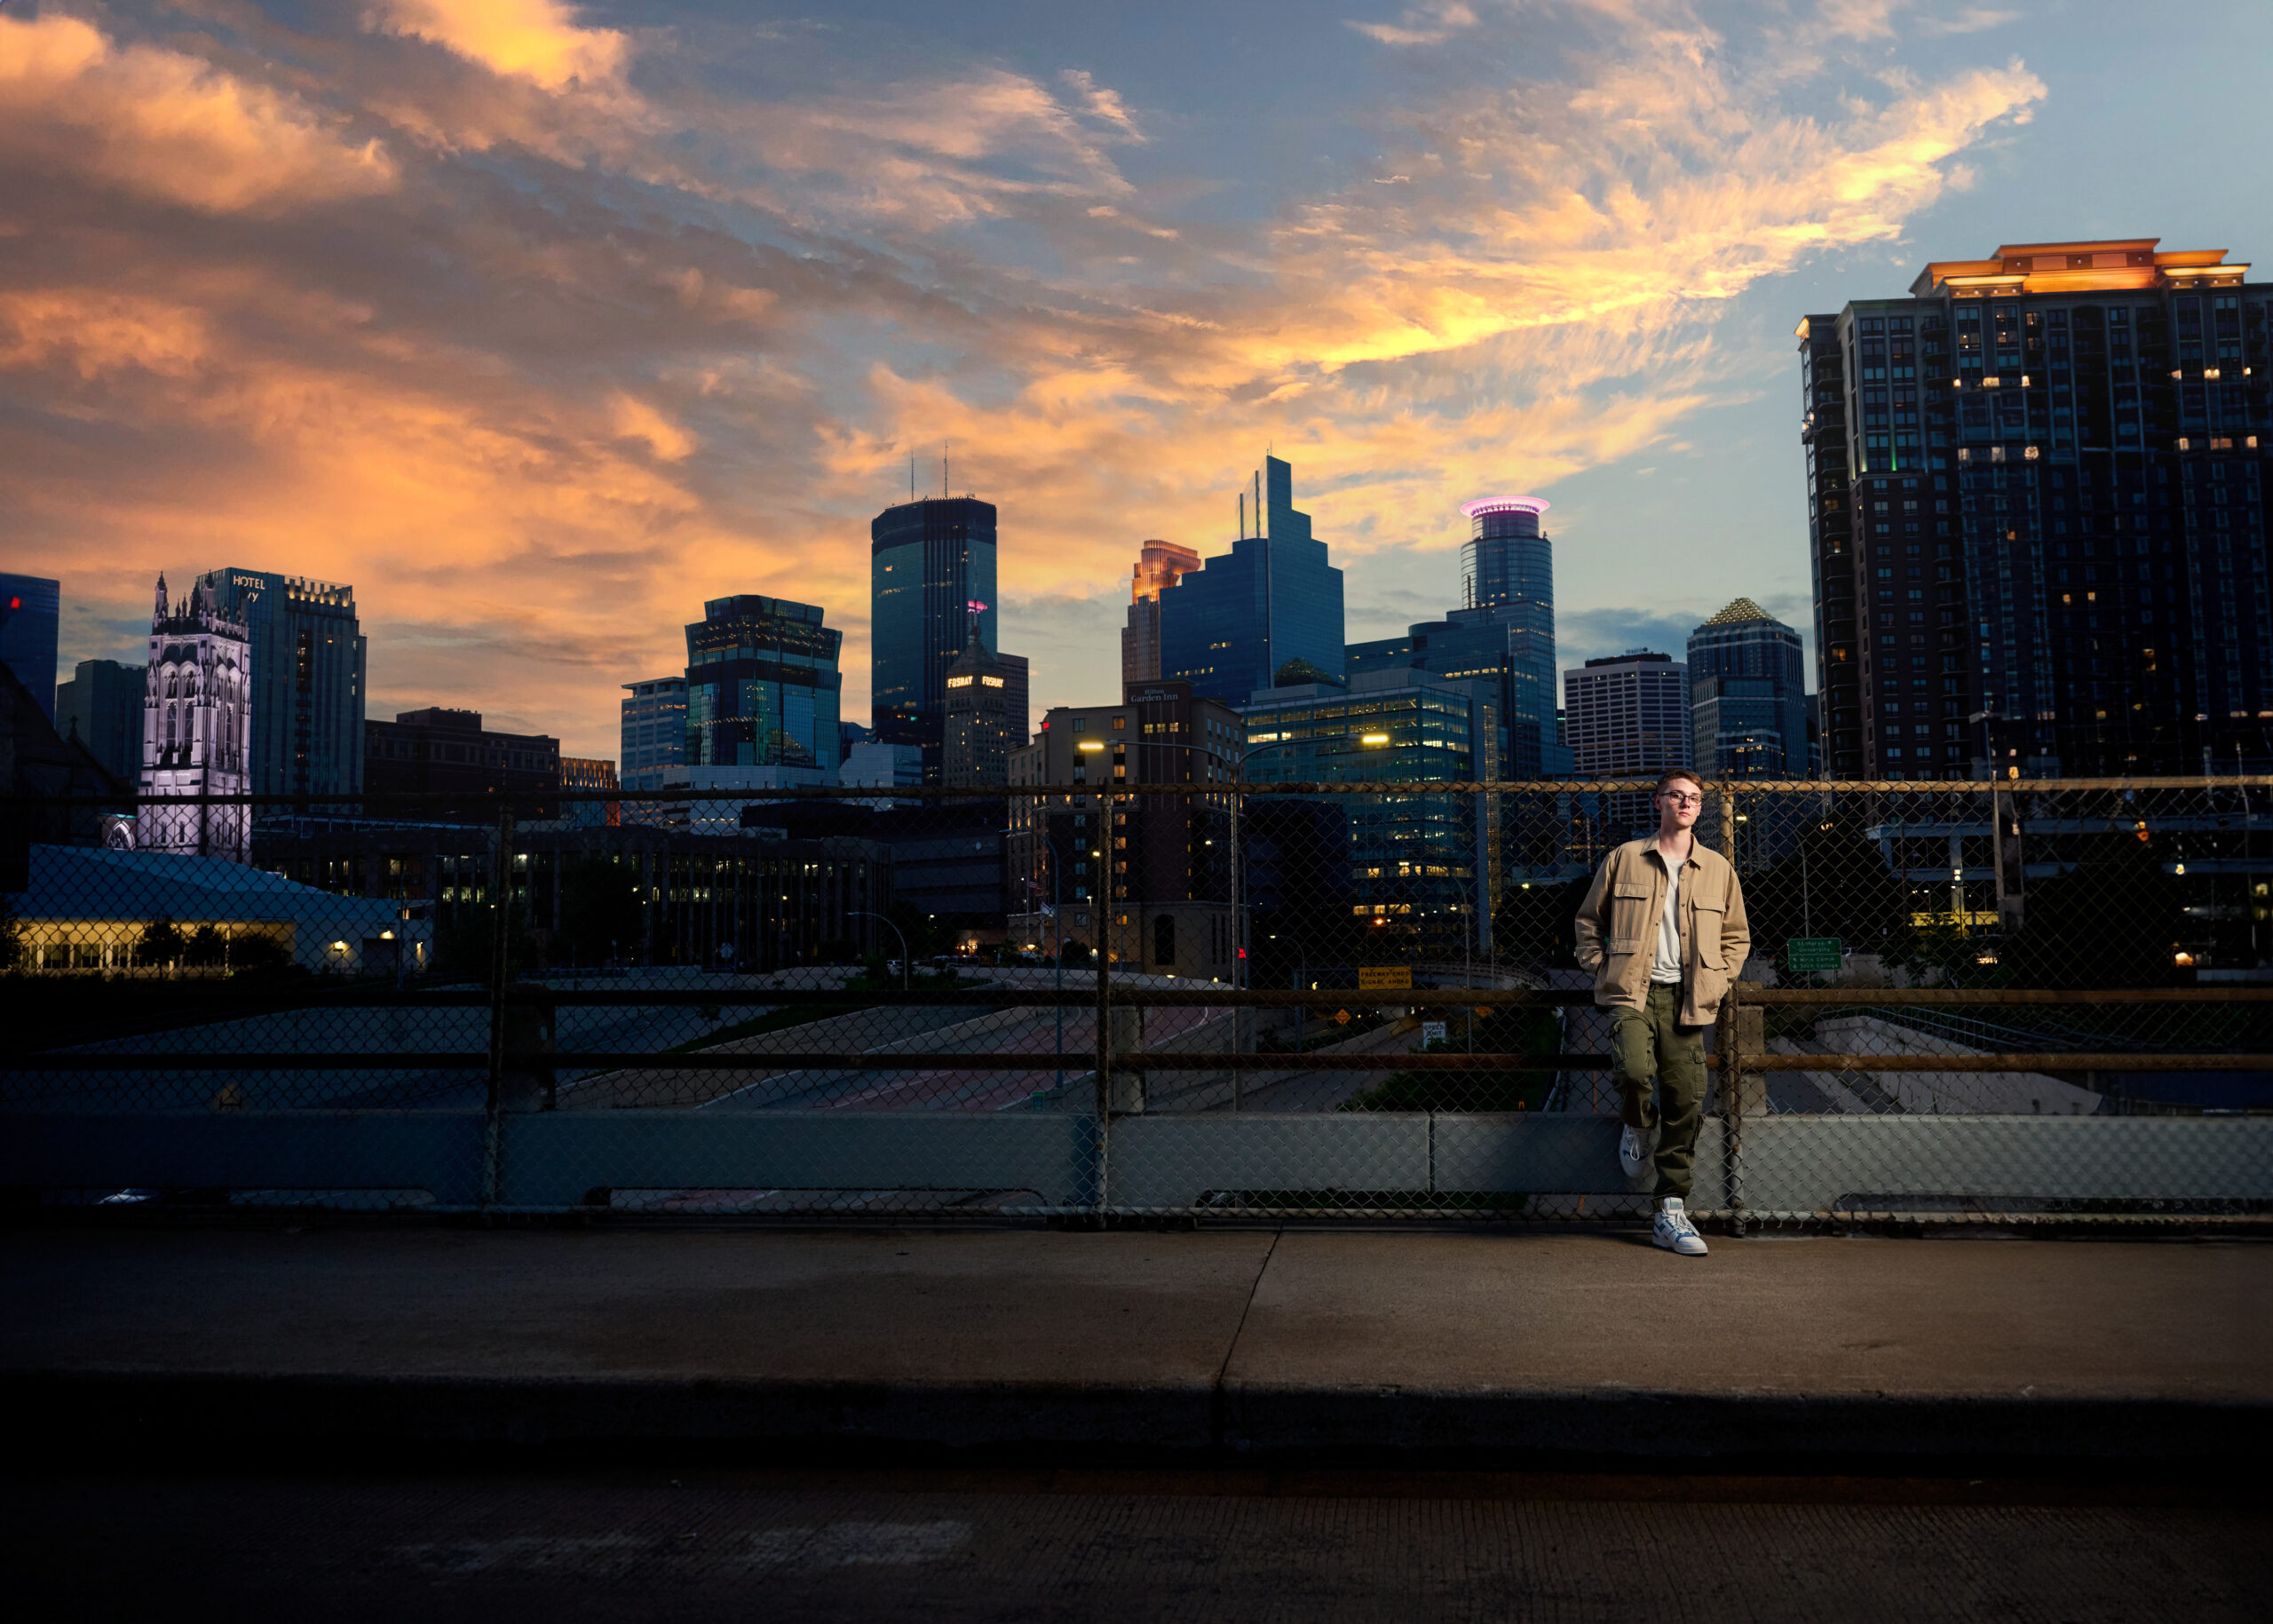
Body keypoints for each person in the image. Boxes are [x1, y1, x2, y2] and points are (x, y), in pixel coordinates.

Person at [1572, 768, 1750, 1256]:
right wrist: (1600, 966)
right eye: (1677, 795)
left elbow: (1737, 936)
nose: (1687, 803)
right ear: (1659, 802)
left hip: (1688, 998)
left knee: (1687, 1100)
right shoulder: (1625, 858)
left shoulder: (1717, 868)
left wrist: (1719, 977)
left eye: (1694, 797)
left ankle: (1670, 1209)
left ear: (1700, 807)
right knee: (1633, 1071)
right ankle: (1636, 1123)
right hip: (1633, 991)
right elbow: (1588, 922)